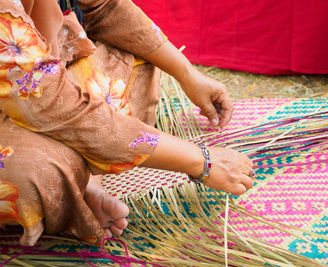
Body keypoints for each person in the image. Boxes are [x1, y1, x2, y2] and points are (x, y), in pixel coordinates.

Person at [0, 0, 255, 246]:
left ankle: (83, 174)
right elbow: (50, 101)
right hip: (30, 95)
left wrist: (188, 75)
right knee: (43, 173)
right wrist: (202, 161)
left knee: (133, 60)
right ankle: (80, 175)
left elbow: (105, 6)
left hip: (43, 84)